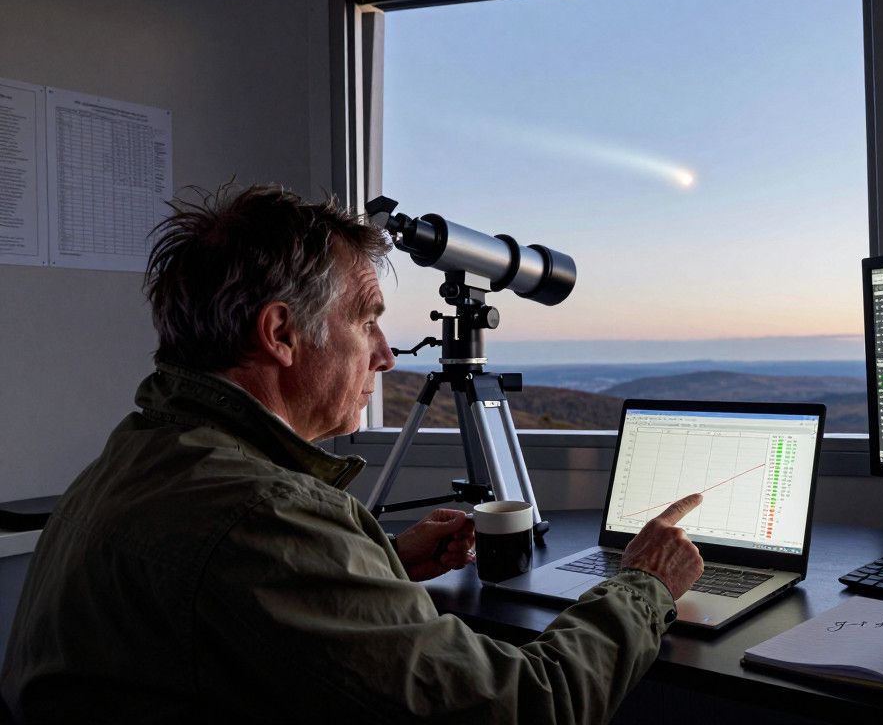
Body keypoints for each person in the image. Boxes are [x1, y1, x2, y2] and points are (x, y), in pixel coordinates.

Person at [0, 183, 705, 723]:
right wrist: (643, 585)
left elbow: (230, 609)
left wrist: (382, 565)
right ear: (281, 333)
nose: (388, 356)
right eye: (367, 319)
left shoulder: (144, 450)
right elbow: (526, 706)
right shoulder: (263, 515)